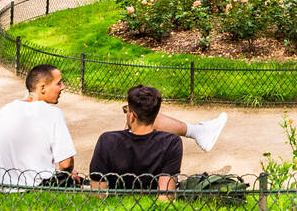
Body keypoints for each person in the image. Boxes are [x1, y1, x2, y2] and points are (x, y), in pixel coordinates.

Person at [89, 85, 223, 198]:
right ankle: (197, 131)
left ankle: (198, 131)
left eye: (127, 110)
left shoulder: (107, 140)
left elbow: (98, 194)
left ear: (132, 116)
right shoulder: (171, 142)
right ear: (156, 115)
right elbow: (165, 197)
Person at [0, 64, 79, 189]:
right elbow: (66, 163)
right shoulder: (53, 113)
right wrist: (66, 176)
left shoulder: (7, 109)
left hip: (5, 186)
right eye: (59, 83)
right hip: (40, 187)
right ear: (42, 87)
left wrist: (9, 176)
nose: (63, 87)